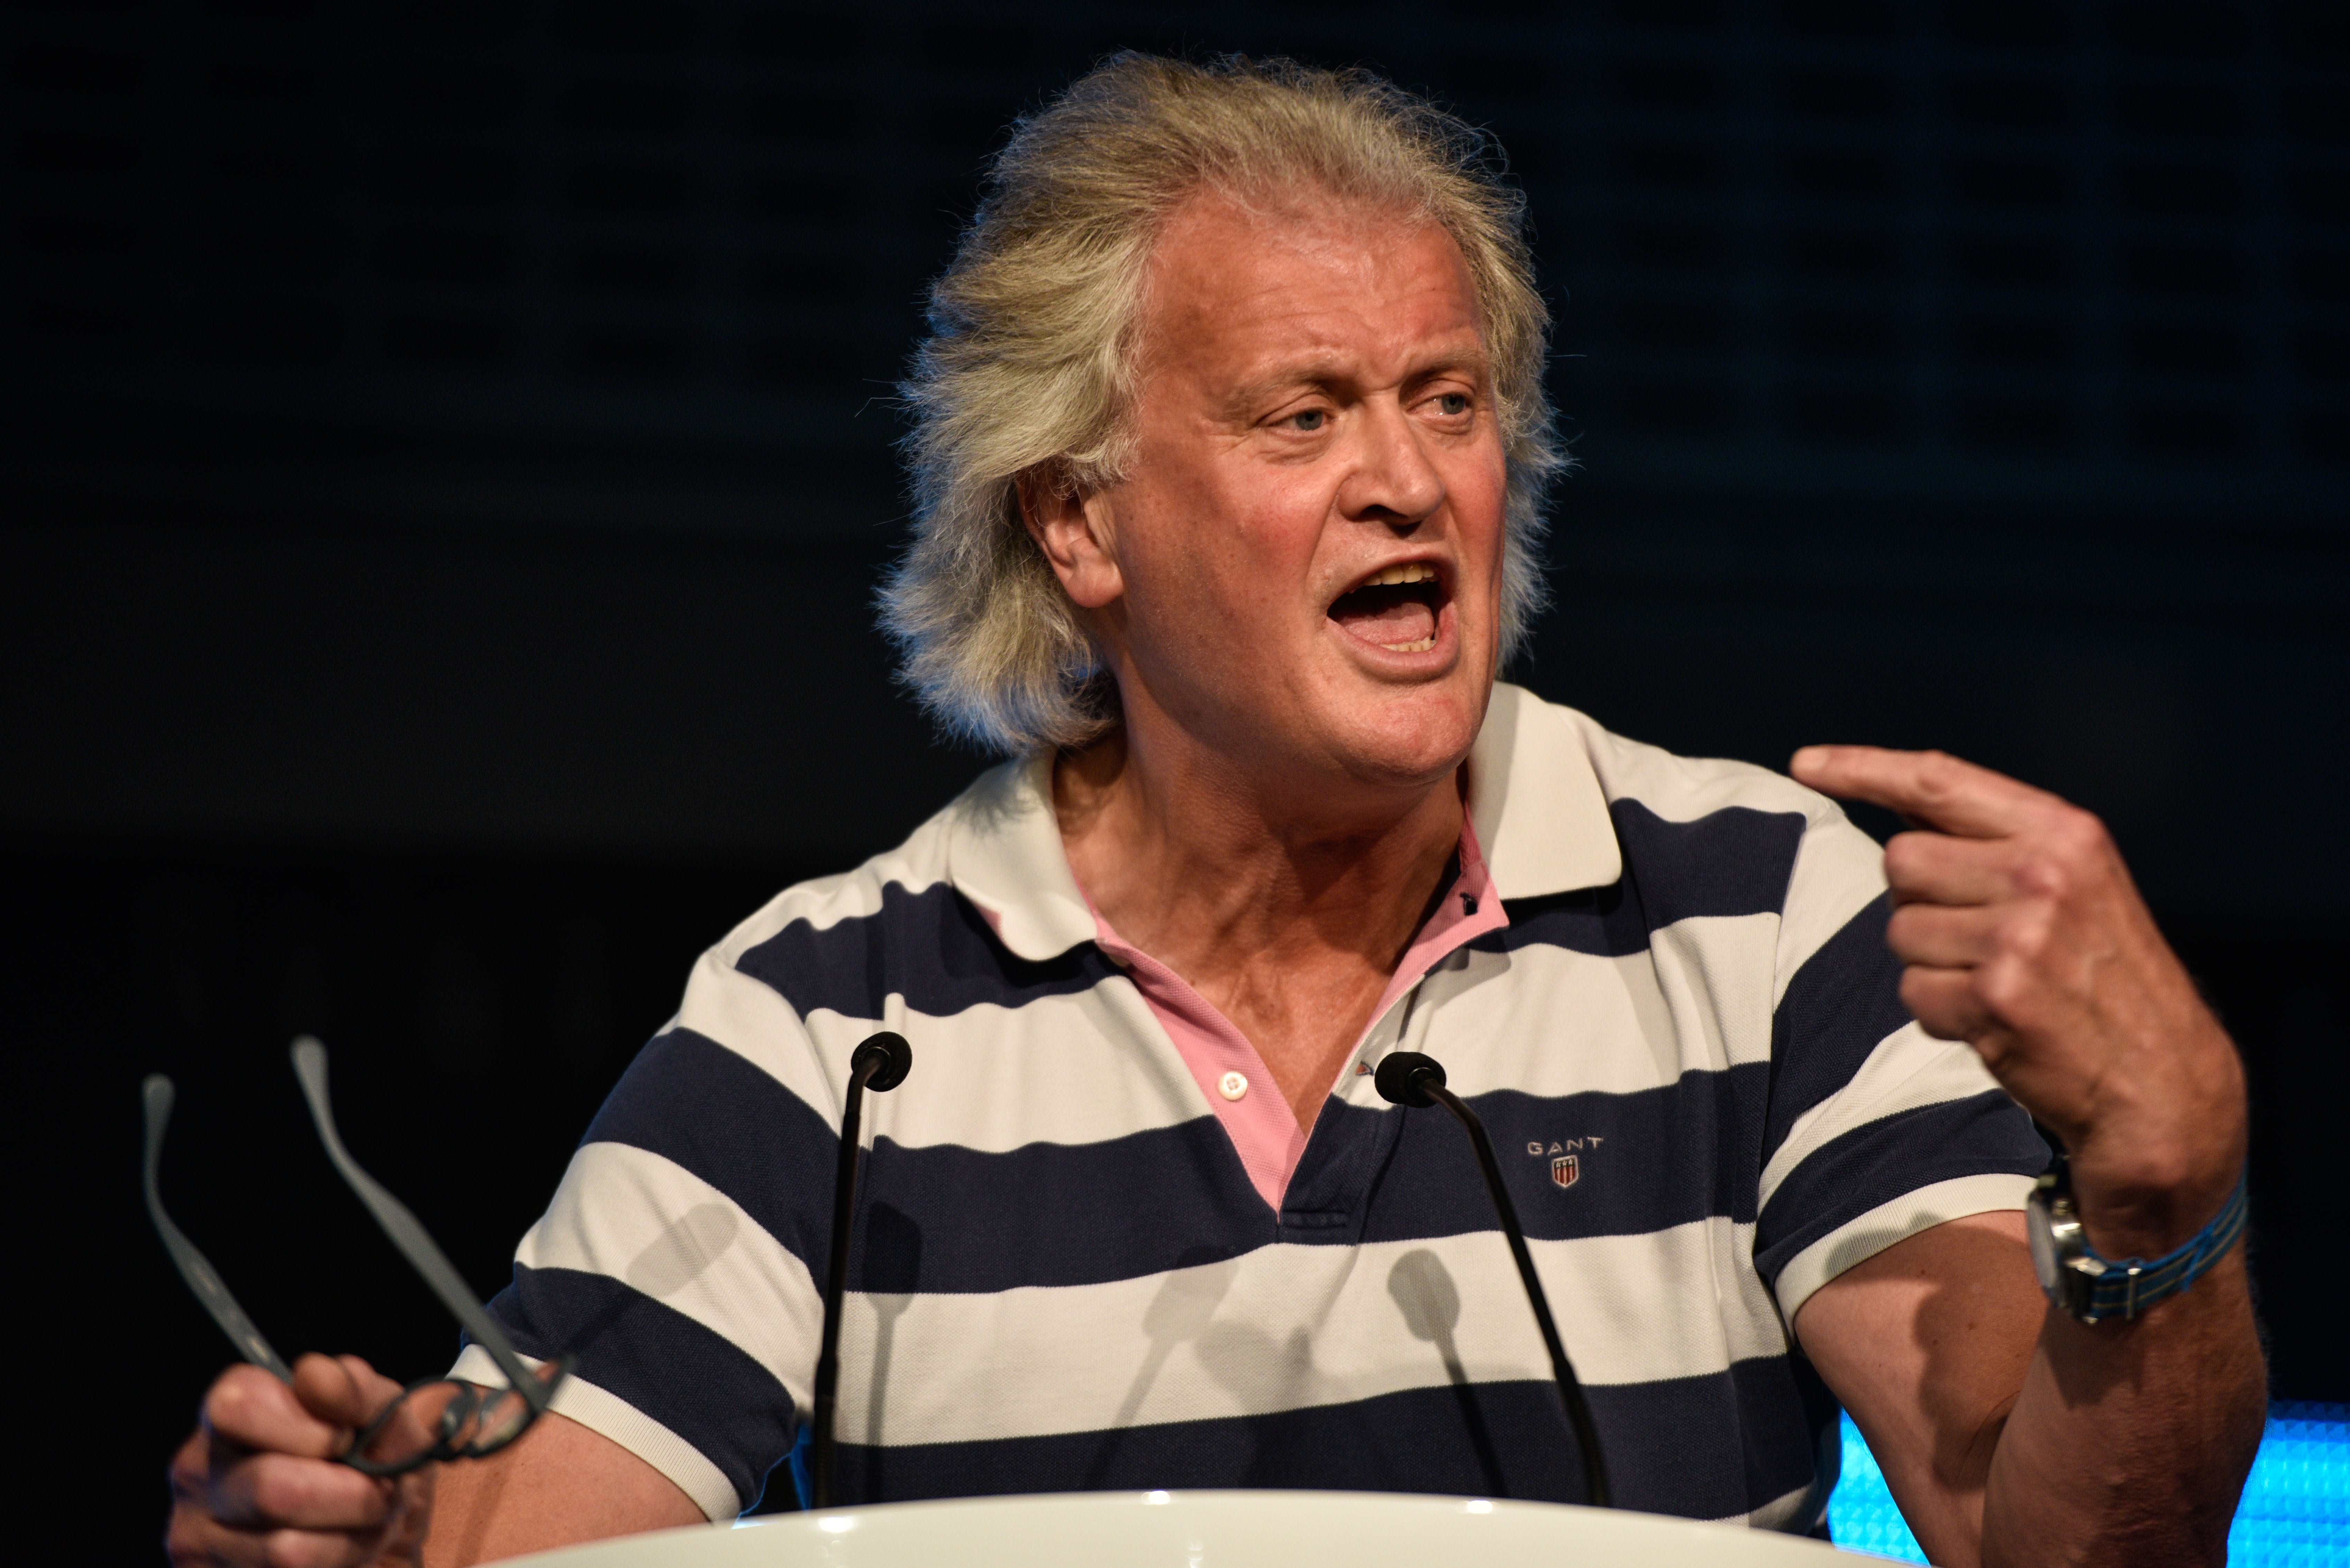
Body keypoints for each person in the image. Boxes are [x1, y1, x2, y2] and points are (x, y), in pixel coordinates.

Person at [165, 55, 2264, 1568]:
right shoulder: (829, 1020)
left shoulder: (1761, 916)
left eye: (1451, 401)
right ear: (1083, 525)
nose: (1411, 479)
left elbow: (2063, 1545)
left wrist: (2168, 1188)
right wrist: (349, 1526)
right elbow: (505, 1548)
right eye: (1306, 412)